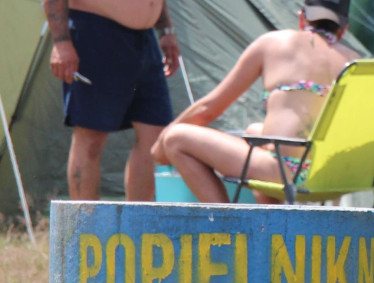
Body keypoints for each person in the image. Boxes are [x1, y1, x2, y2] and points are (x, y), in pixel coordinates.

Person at [151, 0, 358, 204]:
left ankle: (231, 226)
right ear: (344, 29)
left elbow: (208, 110)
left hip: (289, 173)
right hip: (333, 176)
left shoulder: (274, 43)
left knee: (175, 139)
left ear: (302, 18)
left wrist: (161, 142)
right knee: (254, 131)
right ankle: (272, 228)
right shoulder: (356, 63)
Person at [42, 0, 181, 201]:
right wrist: (61, 42)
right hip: (95, 30)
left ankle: (135, 224)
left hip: (144, 37)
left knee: (155, 135)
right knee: (91, 136)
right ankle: (86, 226)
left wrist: (166, 30)